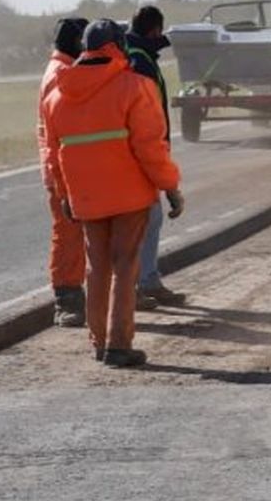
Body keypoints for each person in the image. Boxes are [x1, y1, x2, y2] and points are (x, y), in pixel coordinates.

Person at [41, 19, 184, 368]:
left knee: (97, 267)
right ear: (117, 46)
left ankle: (99, 343)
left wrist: (63, 195)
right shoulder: (136, 86)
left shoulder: (57, 96)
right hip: (130, 196)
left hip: (86, 198)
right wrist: (170, 186)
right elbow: (150, 146)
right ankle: (120, 344)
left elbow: (53, 154)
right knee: (124, 267)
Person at [126, 5, 185, 310]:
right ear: (155, 30)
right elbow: (147, 120)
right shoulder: (140, 62)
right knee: (145, 221)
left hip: (138, 151)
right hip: (140, 153)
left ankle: (146, 281)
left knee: (150, 219)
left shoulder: (137, 54)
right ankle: (138, 285)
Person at [38, 17, 89, 327]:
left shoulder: (60, 68)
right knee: (68, 235)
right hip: (63, 170)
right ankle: (67, 300)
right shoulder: (61, 75)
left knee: (71, 234)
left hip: (64, 167)